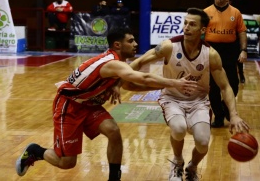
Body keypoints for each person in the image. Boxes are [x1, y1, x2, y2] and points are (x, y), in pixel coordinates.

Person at [15, 27, 198, 181]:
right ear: (118, 45)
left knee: (114, 131)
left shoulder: (117, 63)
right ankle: (36, 151)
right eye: (131, 41)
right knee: (67, 163)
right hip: (69, 106)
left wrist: (158, 89)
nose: (135, 44)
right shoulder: (111, 63)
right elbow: (143, 77)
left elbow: (130, 85)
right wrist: (176, 83)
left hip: (89, 105)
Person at [129, 8, 250, 181]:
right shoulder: (168, 46)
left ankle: (192, 167)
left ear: (202, 30)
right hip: (172, 98)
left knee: (202, 142)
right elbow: (140, 61)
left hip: (198, 101)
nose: (186, 27)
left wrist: (234, 115)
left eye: (192, 24)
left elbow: (225, 87)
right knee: (178, 129)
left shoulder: (211, 54)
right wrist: (117, 80)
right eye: (185, 23)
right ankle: (177, 161)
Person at [203, 0, 248, 128]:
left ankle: (225, 106)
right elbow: (200, 32)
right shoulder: (206, 12)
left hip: (230, 51)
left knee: (233, 85)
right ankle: (219, 117)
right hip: (211, 50)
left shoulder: (236, 12)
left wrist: (244, 50)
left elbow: (241, 32)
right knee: (213, 87)